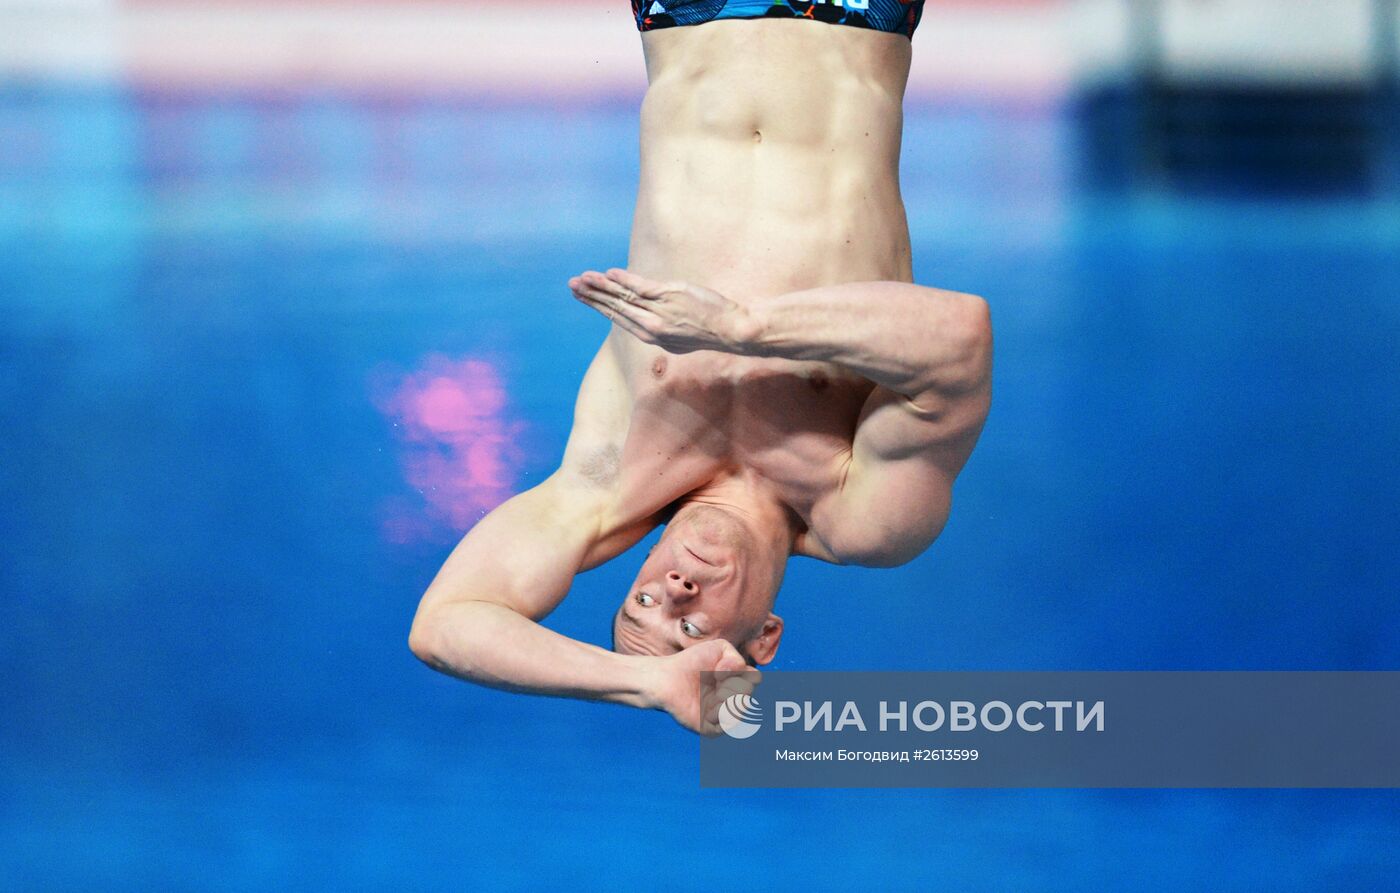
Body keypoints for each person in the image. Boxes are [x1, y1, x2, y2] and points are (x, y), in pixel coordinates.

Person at [408, 0, 992, 734]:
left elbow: (444, 623)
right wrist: (742, 327)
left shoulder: (608, 480)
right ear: (765, 638)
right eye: (690, 627)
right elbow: (962, 338)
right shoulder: (863, 513)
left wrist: (647, 680)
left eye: (643, 600)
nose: (674, 589)